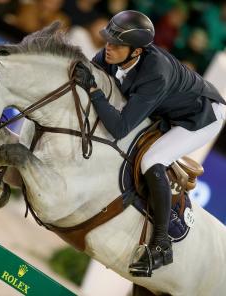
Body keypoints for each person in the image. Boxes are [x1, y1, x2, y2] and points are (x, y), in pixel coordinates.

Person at [74, 10, 226, 276]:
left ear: (136, 51)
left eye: (117, 44)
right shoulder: (109, 56)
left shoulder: (155, 73)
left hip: (202, 116)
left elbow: (119, 127)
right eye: (108, 40)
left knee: (152, 160)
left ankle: (161, 244)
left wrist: (95, 92)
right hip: (170, 108)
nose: (108, 47)